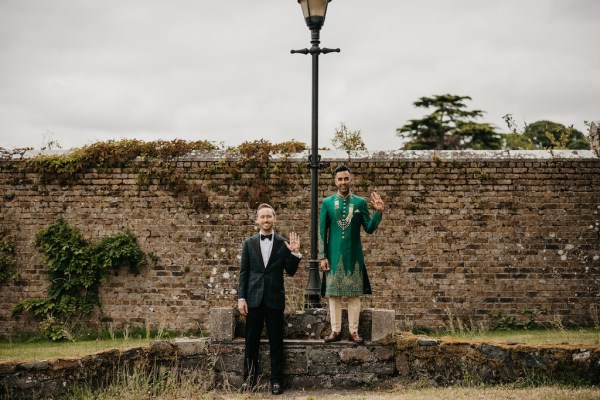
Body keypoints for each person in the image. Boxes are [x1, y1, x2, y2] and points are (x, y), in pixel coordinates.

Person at [237, 203, 302, 395]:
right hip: (253, 299)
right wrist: (241, 298)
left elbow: (290, 272)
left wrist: (295, 253)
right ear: (257, 220)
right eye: (262, 217)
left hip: (275, 299)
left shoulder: (283, 243)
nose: (266, 220)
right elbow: (244, 273)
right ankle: (248, 381)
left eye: (269, 216)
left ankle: (277, 382)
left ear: (274, 219)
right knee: (251, 342)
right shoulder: (248, 243)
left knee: (276, 342)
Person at [319, 165, 384, 344]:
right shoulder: (327, 203)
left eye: (346, 178)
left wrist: (378, 212)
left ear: (351, 179)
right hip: (332, 255)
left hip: (354, 256)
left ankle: (353, 331)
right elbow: (321, 231)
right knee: (334, 295)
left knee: (355, 294)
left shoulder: (360, 203)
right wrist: (322, 256)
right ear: (335, 181)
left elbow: (369, 228)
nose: (343, 182)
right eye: (339, 179)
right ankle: (336, 330)